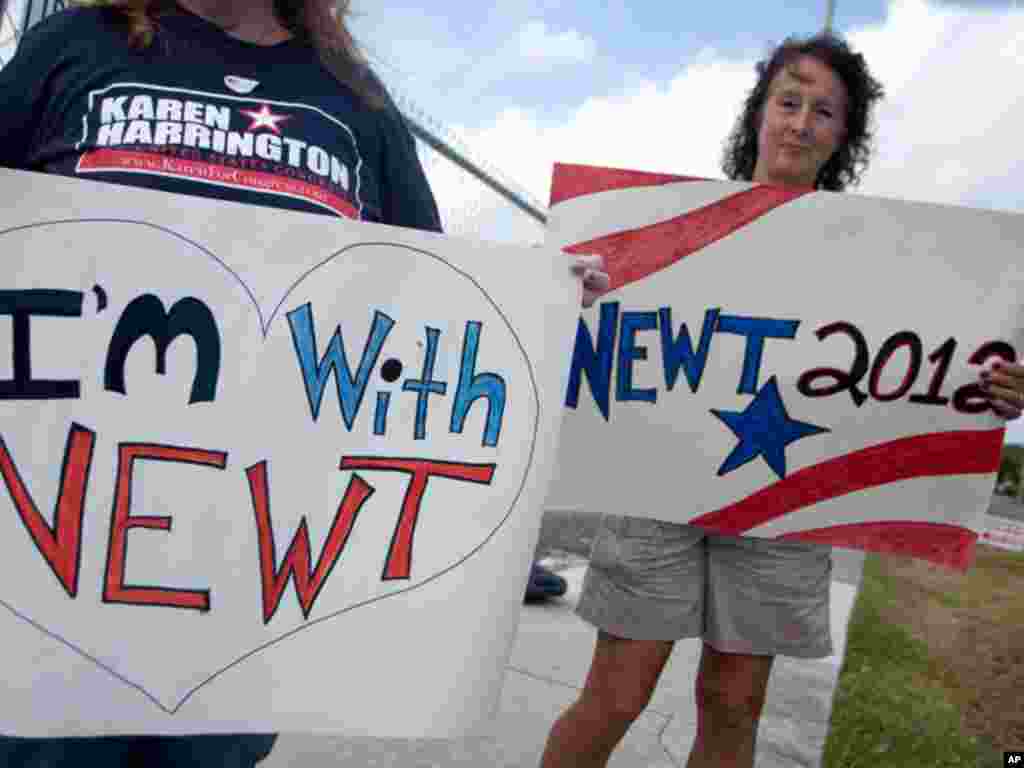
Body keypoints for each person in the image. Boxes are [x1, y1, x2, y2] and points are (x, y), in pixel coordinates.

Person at [0, 0, 607, 765]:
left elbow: (426, 291)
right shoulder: (72, 45)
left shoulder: (355, 99)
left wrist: (539, 298)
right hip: (52, 557)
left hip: (249, 574)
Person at [538, 32, 1024, 768]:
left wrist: (990, 390)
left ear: (843, 136)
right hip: (658, 487)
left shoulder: (876, 254)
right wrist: (572, 294)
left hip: (786, 501)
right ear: (758, 112)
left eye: (823, 111)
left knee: (734, 707)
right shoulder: (671, 227)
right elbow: (589, 324)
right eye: (788, 102)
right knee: (616, 696)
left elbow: (918, 371)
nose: (800, 123)